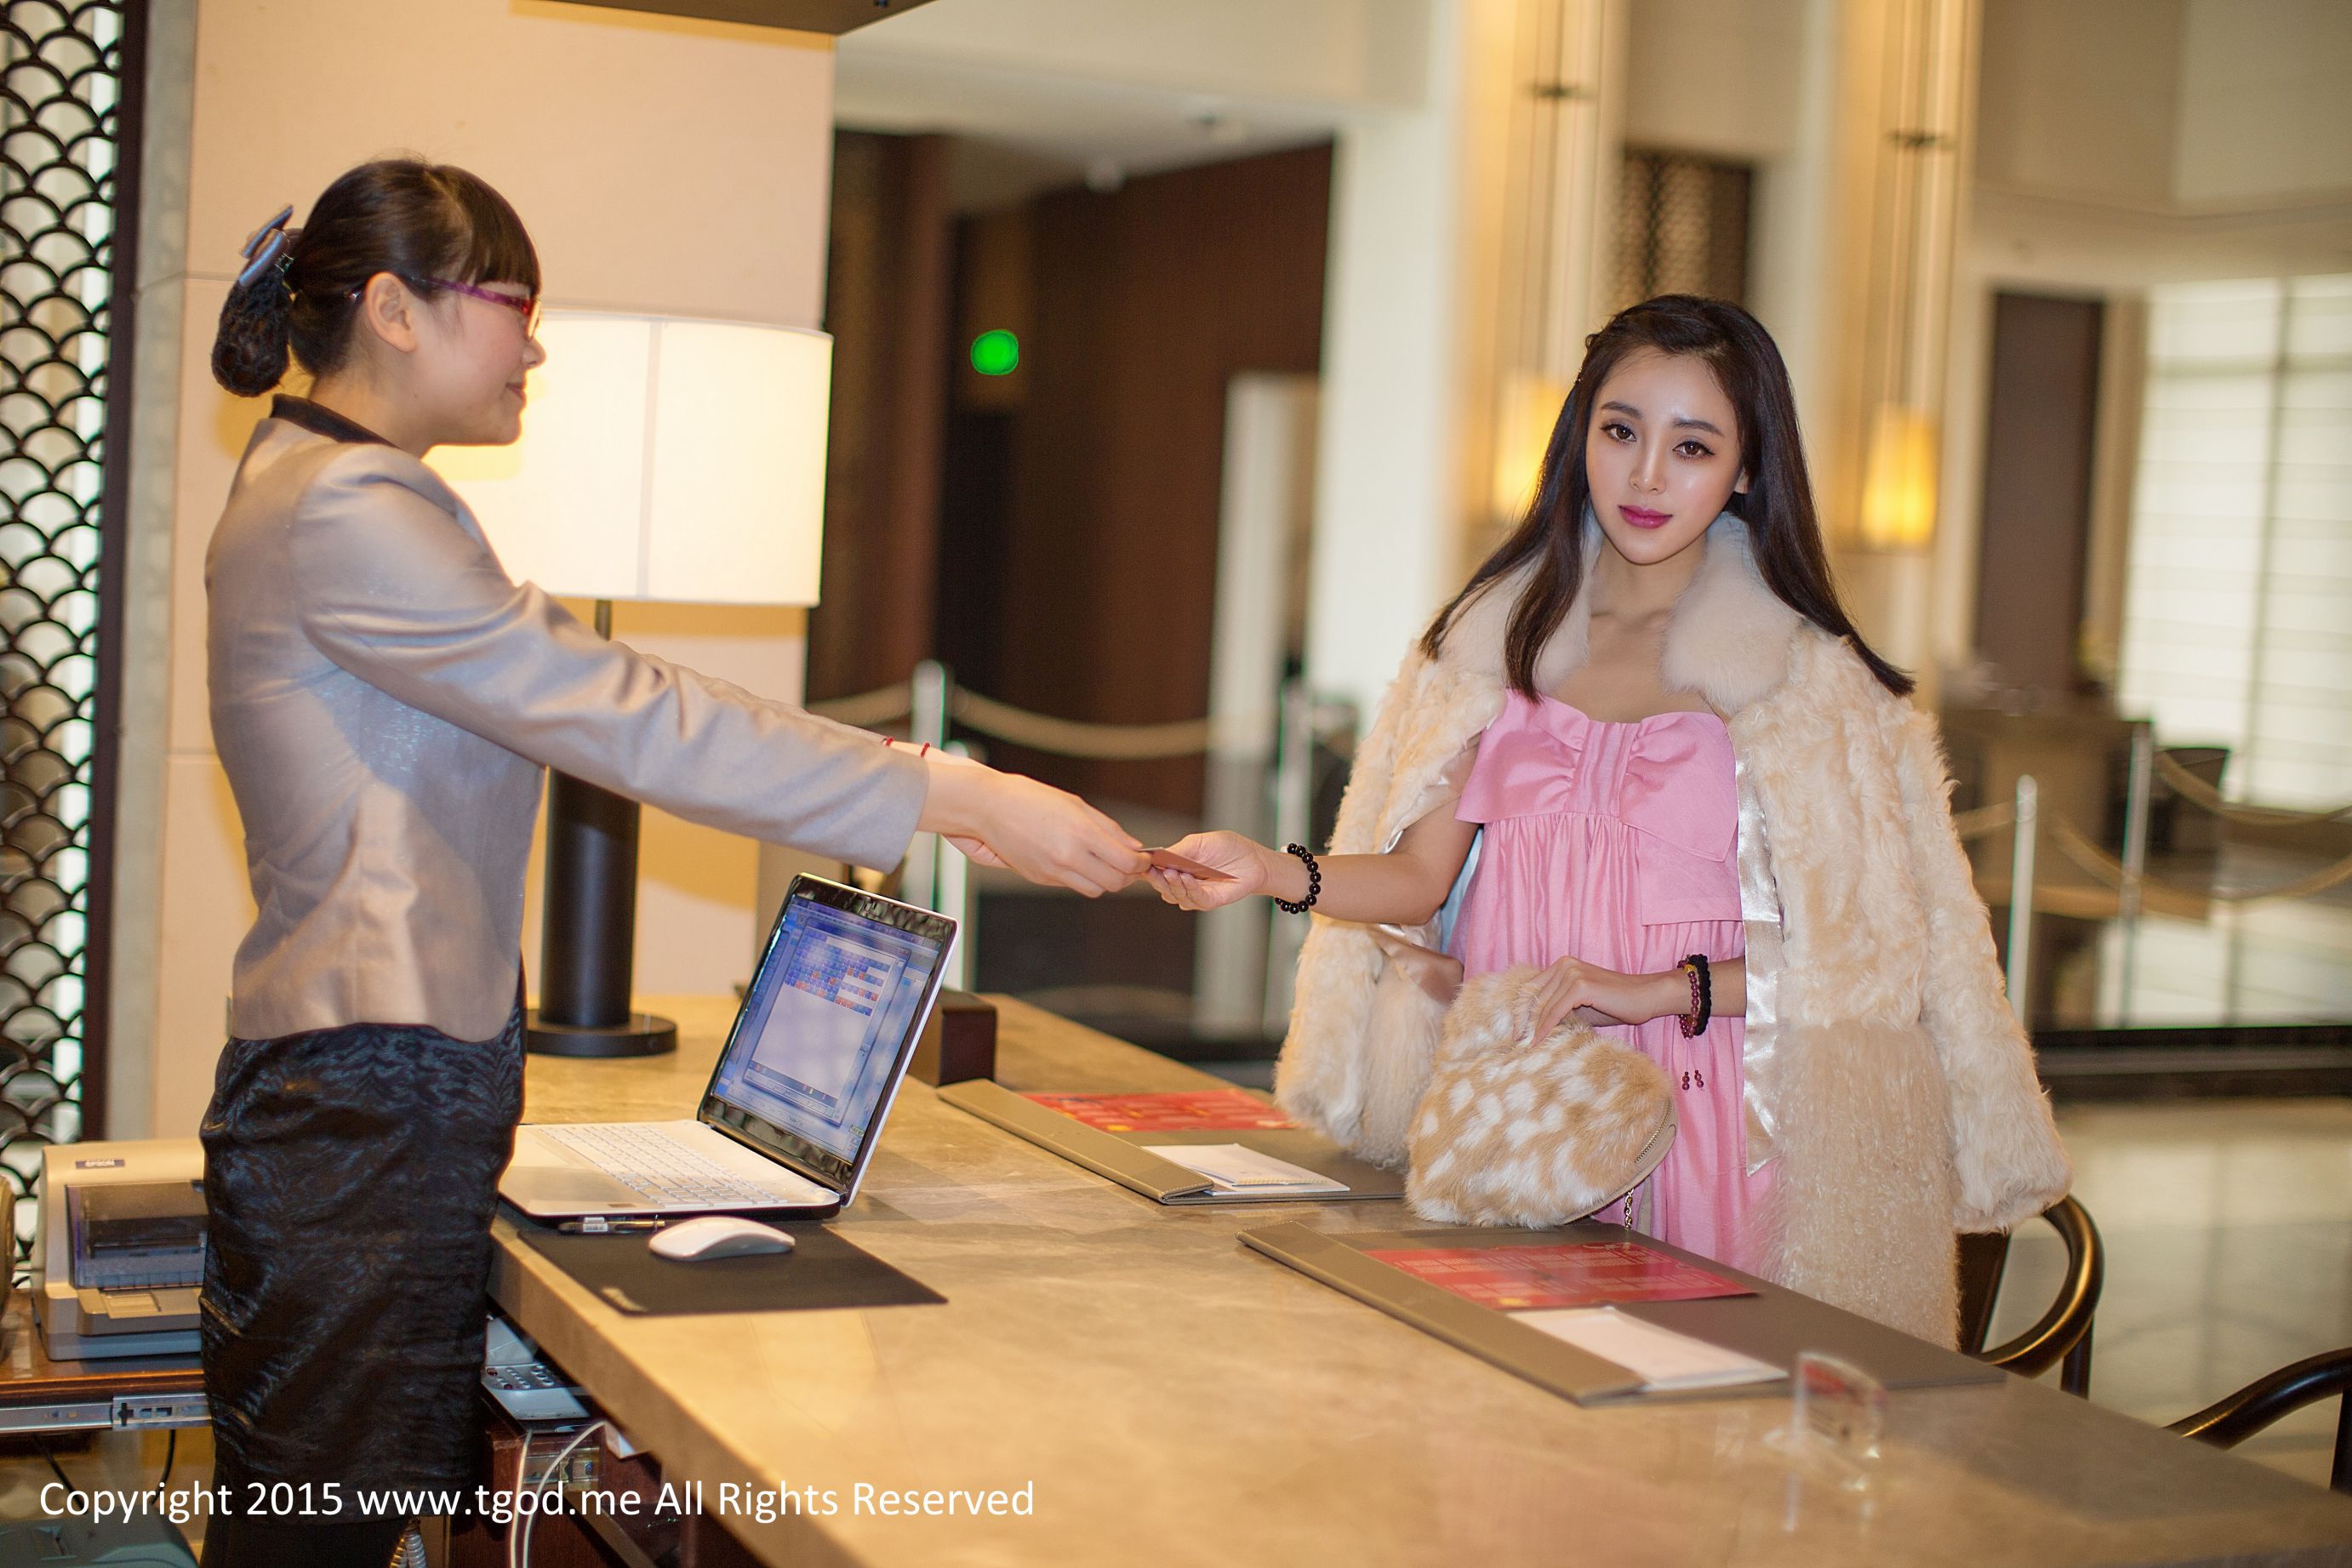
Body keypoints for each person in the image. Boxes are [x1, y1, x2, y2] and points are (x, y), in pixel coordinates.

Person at [198, 158, 1145, 1565]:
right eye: (511, 302)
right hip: (366, 1095)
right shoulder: (348, 507)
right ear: (393, 309)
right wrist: (947, 789)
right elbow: (626, 712)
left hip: (362, 1083)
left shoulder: (314, 482)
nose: (535, 342)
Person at [1149, 294, 2069, 1345]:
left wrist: (1643, 990)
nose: (1644, 476)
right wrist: (1267, 869)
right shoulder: (1494, 634)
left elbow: (1855, 965)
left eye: (1691, 445)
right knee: (1496, 1435)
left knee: (1681, 1451)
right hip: (1519, 1101)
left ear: (1747, 469)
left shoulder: (1806, 681)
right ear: (1579, 433)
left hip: (1699, 1112)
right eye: (1621, 430)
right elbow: (1415, 877)